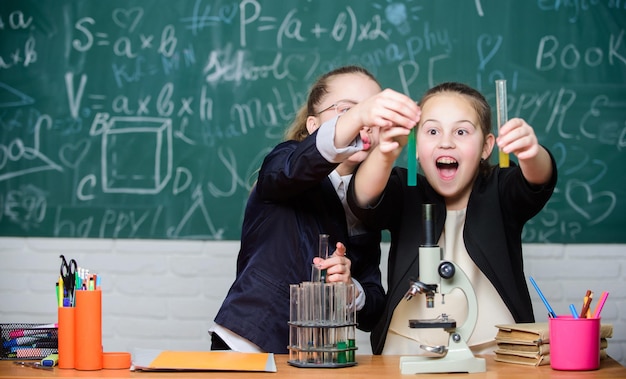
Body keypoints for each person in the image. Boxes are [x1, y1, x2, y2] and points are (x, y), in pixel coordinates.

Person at [210, 65, 421, 353]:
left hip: (318, 357)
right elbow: (295, 167)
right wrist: (359, 114)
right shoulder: (285, 161)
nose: (365, 123)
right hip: (249, 346)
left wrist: (351, 287)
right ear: (312, 125)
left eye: (373, 115)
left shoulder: (371, 200)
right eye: (346, 109)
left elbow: (373, 309)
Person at [347, 81, 558, 355]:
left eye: (461, 131)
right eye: (432, 131)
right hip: (406, 346)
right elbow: (363, 198)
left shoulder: (500, 188)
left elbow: (537, 181)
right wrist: (385, 154)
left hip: (497, 349)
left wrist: (532, 153)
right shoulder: (406, 188)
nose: (446, 141)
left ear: (486, 147)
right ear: (416, 147)